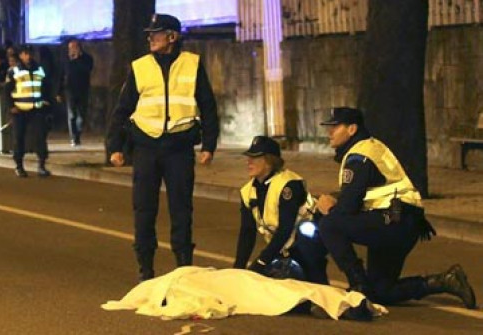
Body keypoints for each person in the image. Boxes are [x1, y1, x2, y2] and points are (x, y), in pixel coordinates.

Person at [316, 107, 476, 309]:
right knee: (382, 291)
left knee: (329, 224)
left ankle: (359, 286)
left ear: (352, 129)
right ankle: (446, 281)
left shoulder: (359, 156)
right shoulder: (371, 147)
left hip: (391, 220)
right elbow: (369, 190)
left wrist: (329, 208)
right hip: (403, 221)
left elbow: (348, 207)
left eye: (335, 127)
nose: (329, 132)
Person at [106, 14, 220, 281]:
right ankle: (146, 269)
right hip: (146, 147)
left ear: (172, 37)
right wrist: (115, 146)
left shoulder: (192, 65)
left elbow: (208, 106)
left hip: (179, 148)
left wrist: (209, 145)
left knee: (182, 209)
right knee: (144, 209)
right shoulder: (140, 66)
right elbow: (123, 109)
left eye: (156, 33)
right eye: (149, 33)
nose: (150, 38)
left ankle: (183, 267)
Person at [234, 136, 328, 285]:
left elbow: (285, 229)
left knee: (316, 289)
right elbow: (247, 233)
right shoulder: (247, 191)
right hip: (281, 247)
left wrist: (262, 261)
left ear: (269, 161)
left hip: (307, 242)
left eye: (255, 157)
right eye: (248, 157)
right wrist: (238, 269)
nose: (249, 162)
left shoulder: (288, 185)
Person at [6, 45, 53, 178]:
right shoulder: (14, 71)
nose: (28, 56)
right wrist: (11, 107)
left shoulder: (39, 69)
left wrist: (47, 101)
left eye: (30, 53)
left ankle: (42, 165)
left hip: (37, 109)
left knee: (40, 137)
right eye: (25, 53)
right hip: (19, 110)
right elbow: (7, 91)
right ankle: (19, 166)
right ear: (20, 55)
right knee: (19, 138)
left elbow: (45, 86)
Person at [58, 38, 94, 147]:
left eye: (73, 47)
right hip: (70, 90)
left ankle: (78, 133)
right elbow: (62, 75)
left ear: (79, 47)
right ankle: (74, 137)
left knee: (81, 116)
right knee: (72, 115)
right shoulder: (66, 59)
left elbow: (87, 69)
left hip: (83, 89)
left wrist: (77, 59)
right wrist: (58, 92)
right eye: (70, 48)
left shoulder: (87, 59)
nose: (72, 50)